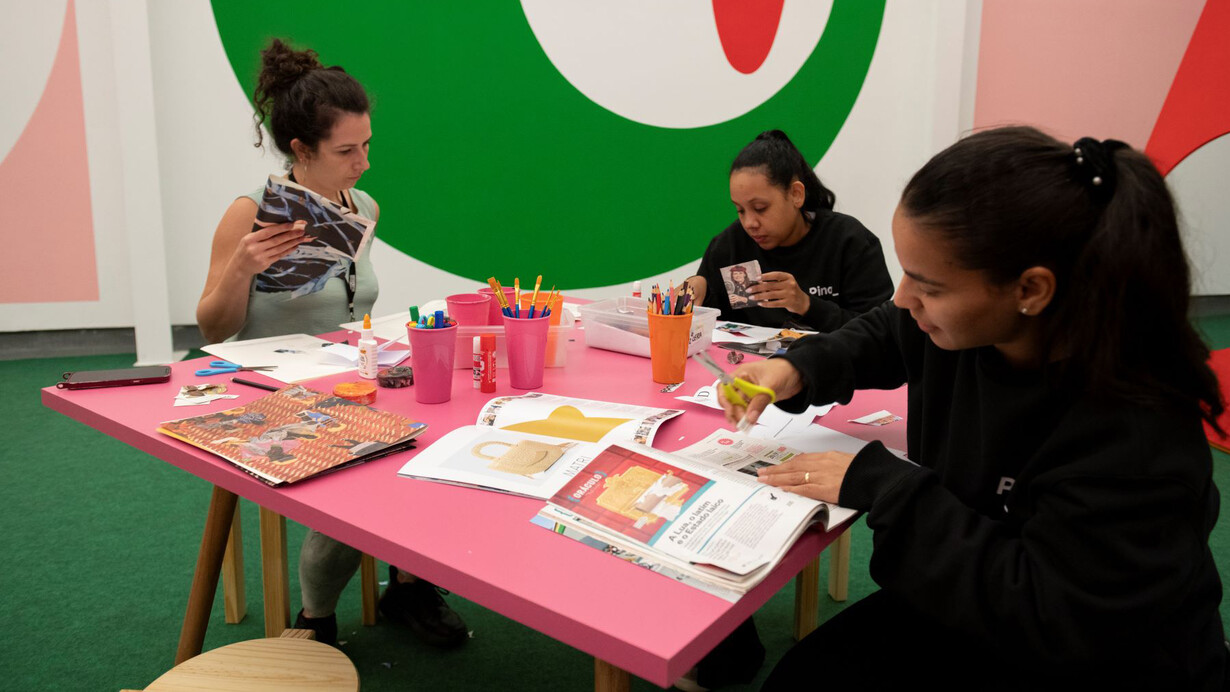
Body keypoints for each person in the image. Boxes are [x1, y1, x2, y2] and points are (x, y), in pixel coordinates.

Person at [720, 127, 1227, 689]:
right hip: (976, 582)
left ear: (1030, 290)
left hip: (1090, 650)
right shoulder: (967, 328)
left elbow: (1049, 615)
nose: (906, 298)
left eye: (930, 286)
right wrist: (797, 369)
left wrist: (885, 486)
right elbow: (885, 331)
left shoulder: (1135, 430)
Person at [196, 39, 468, 649]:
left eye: (367, 144)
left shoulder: (364, 206)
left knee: (447, 430)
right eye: (347, 150)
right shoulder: (249, 214)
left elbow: (354, 308)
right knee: (369, 460)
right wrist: (243, 267)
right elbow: (211, 331)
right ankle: (316, 618)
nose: (364, 162)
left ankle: (408, 583)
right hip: (270, 392)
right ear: (300, 149)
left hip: (348, 379)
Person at [684, 130, 893, 331]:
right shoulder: (729, 247)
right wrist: (700, 288)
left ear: (796, 194)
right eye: (740, 210)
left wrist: (806, 304)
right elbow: (712, 325)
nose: (749, 223)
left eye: (760, 208)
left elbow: (876, 333)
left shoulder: (849, 242)